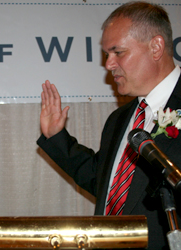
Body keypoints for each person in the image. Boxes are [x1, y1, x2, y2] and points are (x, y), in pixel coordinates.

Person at [37, 1, 181, 249]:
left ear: (156, 47)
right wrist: (56, 137)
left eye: (118, 52)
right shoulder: (119, 119)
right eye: (107, 54)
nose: (108, 64)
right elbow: (107, 185)